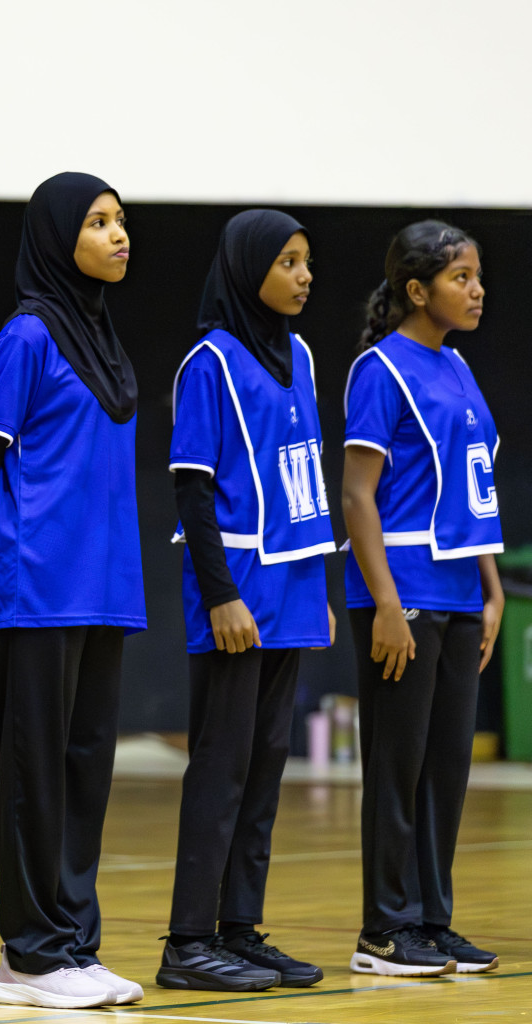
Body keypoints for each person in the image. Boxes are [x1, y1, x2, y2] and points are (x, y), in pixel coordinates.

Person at [0, 171, 146, 1010]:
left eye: (121, 221)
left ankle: (72, 943)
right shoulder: (26, 336)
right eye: (99, 222)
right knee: (37, 775)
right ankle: (28, 955)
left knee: (85, 774)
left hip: (104, 587)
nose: (119, 235)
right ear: (58, 235)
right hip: (37, 585)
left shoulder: (104, 339)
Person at [158, 210, 333, 992]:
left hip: (294, 586)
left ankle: (240, 928)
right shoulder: (210, 363)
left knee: (266, 769)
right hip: (236, 589)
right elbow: (191, 490)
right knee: (221, 768)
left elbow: (308, 479)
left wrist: (321, 587)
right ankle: (187, 941)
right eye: (288, 262)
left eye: (307, 262)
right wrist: (221, 596)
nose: (302, 276)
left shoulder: (300, 354)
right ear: (248, 267)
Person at [341, 220, 503, 977]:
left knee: (445, 770)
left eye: (476, 277)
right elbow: (358, 496)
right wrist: (383, 604)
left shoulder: (459, 367)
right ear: (417, 289)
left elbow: (477, 488)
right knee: (397, 766)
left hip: (462, 591)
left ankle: (431, 922)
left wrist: (493, 590)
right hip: (404, 593)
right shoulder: (380, 369)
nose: (476, 290)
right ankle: (384, 929)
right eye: (461, 278)